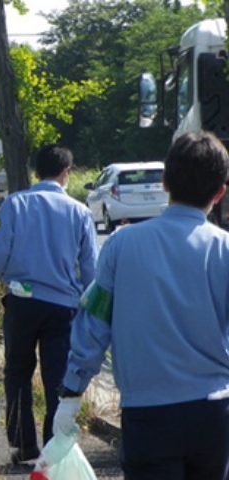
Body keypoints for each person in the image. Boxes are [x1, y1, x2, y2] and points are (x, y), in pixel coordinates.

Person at [54, 131, 229, 479]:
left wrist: (72, 391)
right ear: (221, 191)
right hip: (216, 415)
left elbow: (94, 323)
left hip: (149, 415)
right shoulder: (225, 249)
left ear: (164, 181)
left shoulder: (122, 245)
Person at [0, 144, 98, 463]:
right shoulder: (79, 211)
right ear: (66, 173)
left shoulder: (15, 204)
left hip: (22, 303)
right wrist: (91, 311)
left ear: (35, 171)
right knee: (57, 378)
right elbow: (91, 268)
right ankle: (54, 450)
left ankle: (24, 445)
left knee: (16, 371)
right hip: (63, 308)